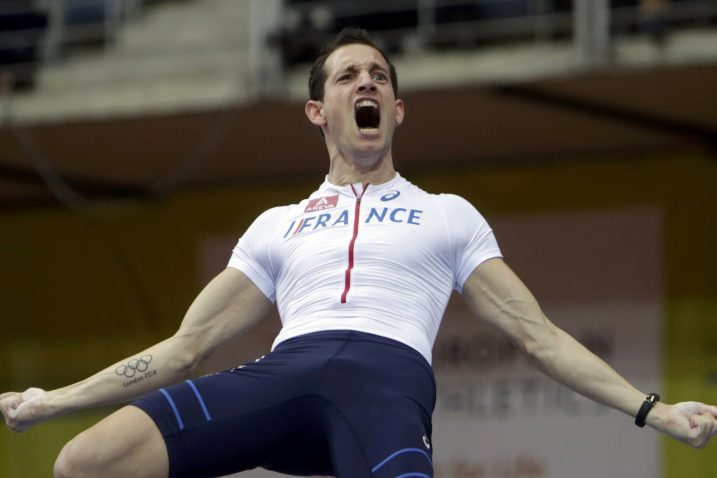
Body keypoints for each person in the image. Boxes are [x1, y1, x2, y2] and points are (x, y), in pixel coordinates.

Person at [1, 27, 716, 478]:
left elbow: (538, 338)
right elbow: (186, 347)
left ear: (396, 111)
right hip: (281, 377)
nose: (366, 83)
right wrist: (49, 400)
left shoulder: (446, 215)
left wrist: (652, 411)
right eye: (347, 76)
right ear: (318, 111)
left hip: (381, 388)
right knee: (83, 462)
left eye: (378, 76)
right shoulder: (276, 225)